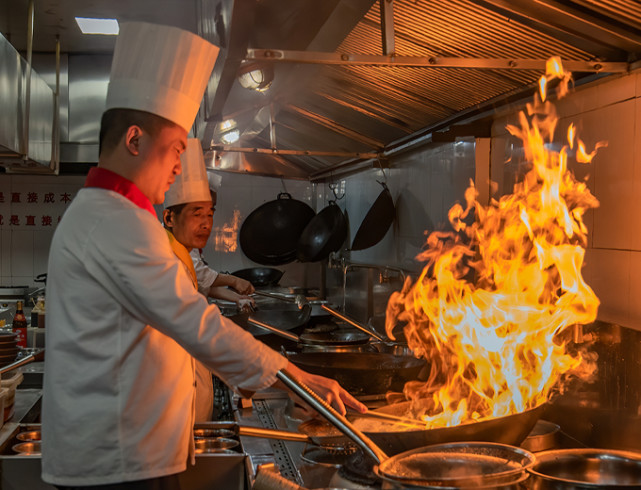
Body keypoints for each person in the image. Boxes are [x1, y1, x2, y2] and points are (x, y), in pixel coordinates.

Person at [42, 21, 366, 490]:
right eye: (175, 148)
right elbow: (195, 322)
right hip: (117, 465)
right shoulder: (114, 221)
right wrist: (295, 378)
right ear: (135, 141)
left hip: (128, 453)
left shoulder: (113, 216)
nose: (178, 165)